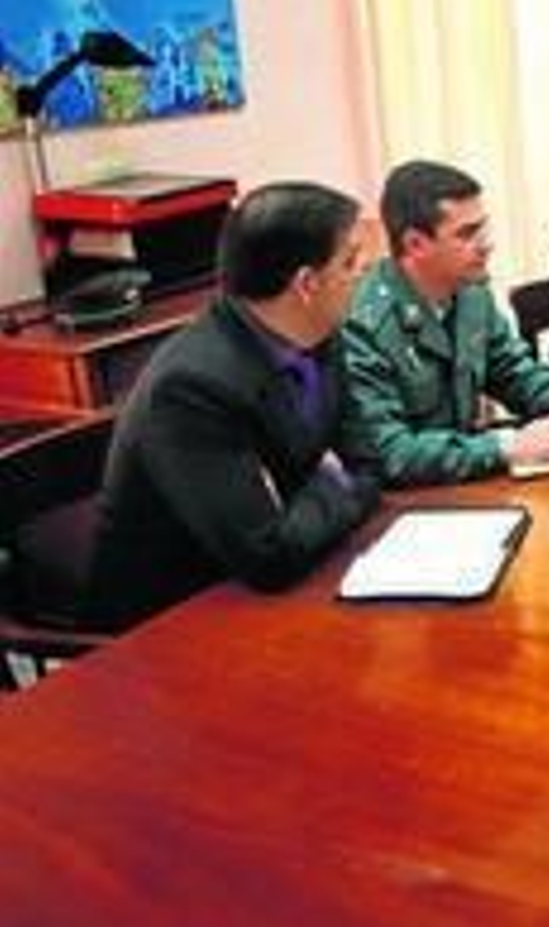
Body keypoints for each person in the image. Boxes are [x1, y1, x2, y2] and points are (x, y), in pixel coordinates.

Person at [88, 182, 381, 631]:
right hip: (174, 620)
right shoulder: (192, 386)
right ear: (306, 283)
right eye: (350, 261)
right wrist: (336, 482)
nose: (364, 270)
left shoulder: (320, 331)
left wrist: (329, 489)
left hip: (294, 574)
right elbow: (268, 556)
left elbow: (367, 462)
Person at [342, 160, 549, 486]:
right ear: (415, 244)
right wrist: (503, 448)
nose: (486, 243)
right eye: (467, 234)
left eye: (483, 227)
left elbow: (509, 368)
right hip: (408, 503)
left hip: (468, 483)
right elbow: (389, 452)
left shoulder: (470, 292)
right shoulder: (362, 323)